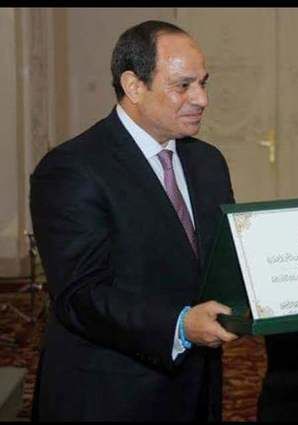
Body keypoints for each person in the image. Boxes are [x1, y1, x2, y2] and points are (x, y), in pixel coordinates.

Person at [29, 20, 238, 421]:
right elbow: (81, 295)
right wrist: (179, 326)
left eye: (203, 83)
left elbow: (220, 260)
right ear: (134, 86)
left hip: (196, 387)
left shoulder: (208, 161)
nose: (202, 99)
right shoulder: (72, 168)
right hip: (108, 393)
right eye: (183, 85)